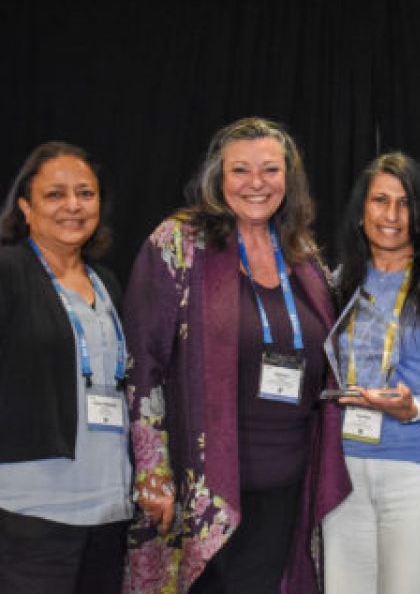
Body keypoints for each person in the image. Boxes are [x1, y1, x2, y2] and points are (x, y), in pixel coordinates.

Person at [123, 117, 350, 594]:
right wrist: (152, 472)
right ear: (217, 178)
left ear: (289, 178)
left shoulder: (302, 252)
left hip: (288, 479)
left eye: (270, 170)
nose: (256, 184)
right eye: (240, 171)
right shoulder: (179, 244)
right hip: (204, 484)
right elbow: (145, 366)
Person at [322, 152, 420, 594]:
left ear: (419, 214)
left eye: (405, 203)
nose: (392, 215)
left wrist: (413, 407)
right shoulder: (339, 283)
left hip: (415, 470)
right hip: (343, 470)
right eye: (381, 200)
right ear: (361, 212)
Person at [0, 141, 133, 592]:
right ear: (25, 207)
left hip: (106, 505)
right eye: (55, 195)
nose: (73, 206)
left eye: (85, 193)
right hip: (30, 508)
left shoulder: (107, 281)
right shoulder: (8, 271)